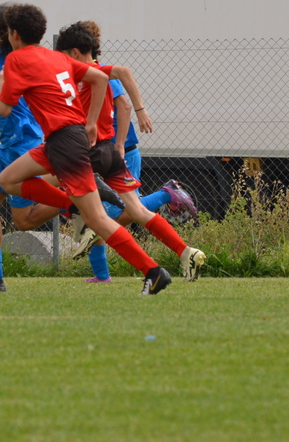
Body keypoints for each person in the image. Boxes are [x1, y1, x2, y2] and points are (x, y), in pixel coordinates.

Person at [0, 4, 174, 295]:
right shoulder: (55, 57)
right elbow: (100, 78)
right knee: (8, 179)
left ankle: (153, 272)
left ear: (14, 34)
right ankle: (72, 205)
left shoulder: (16, 60)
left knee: (97, 219)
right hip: (61, 140)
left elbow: (3, 109)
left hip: (65, 143)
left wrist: (3, 82)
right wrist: (89, 124)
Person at [0, 5, 125, 292]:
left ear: (2, 32)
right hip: (31, 138)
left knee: (23, 219)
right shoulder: (37, 55)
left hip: (17, 142)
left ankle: (76, 205)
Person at [51, 21, 207, 283]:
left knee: (35, 184)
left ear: (75, 52)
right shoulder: (92, 72)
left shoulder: (90, 72)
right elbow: (121, 73)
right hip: (107, 152)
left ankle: (83, 219)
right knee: (131, 211)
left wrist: (124, 130)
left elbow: (121, 98)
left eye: (64, 56)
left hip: (94, 152)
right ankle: (184, 251)